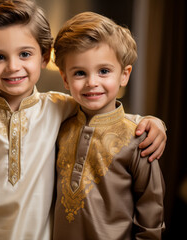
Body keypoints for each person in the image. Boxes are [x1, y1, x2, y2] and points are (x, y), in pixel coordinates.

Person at [0, 0, 167, 239]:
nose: (13, 66)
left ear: (44, 58)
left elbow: (106, 116)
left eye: (24, 54)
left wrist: (153, 122)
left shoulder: (58, 107)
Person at [52, 11, 165, 239]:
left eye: (104, 71)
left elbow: (151, 214)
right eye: (80, 73)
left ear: (124, 75)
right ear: (65, 79)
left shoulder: (140, 137)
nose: (92, 82)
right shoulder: (58, 126)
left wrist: (158, 124)